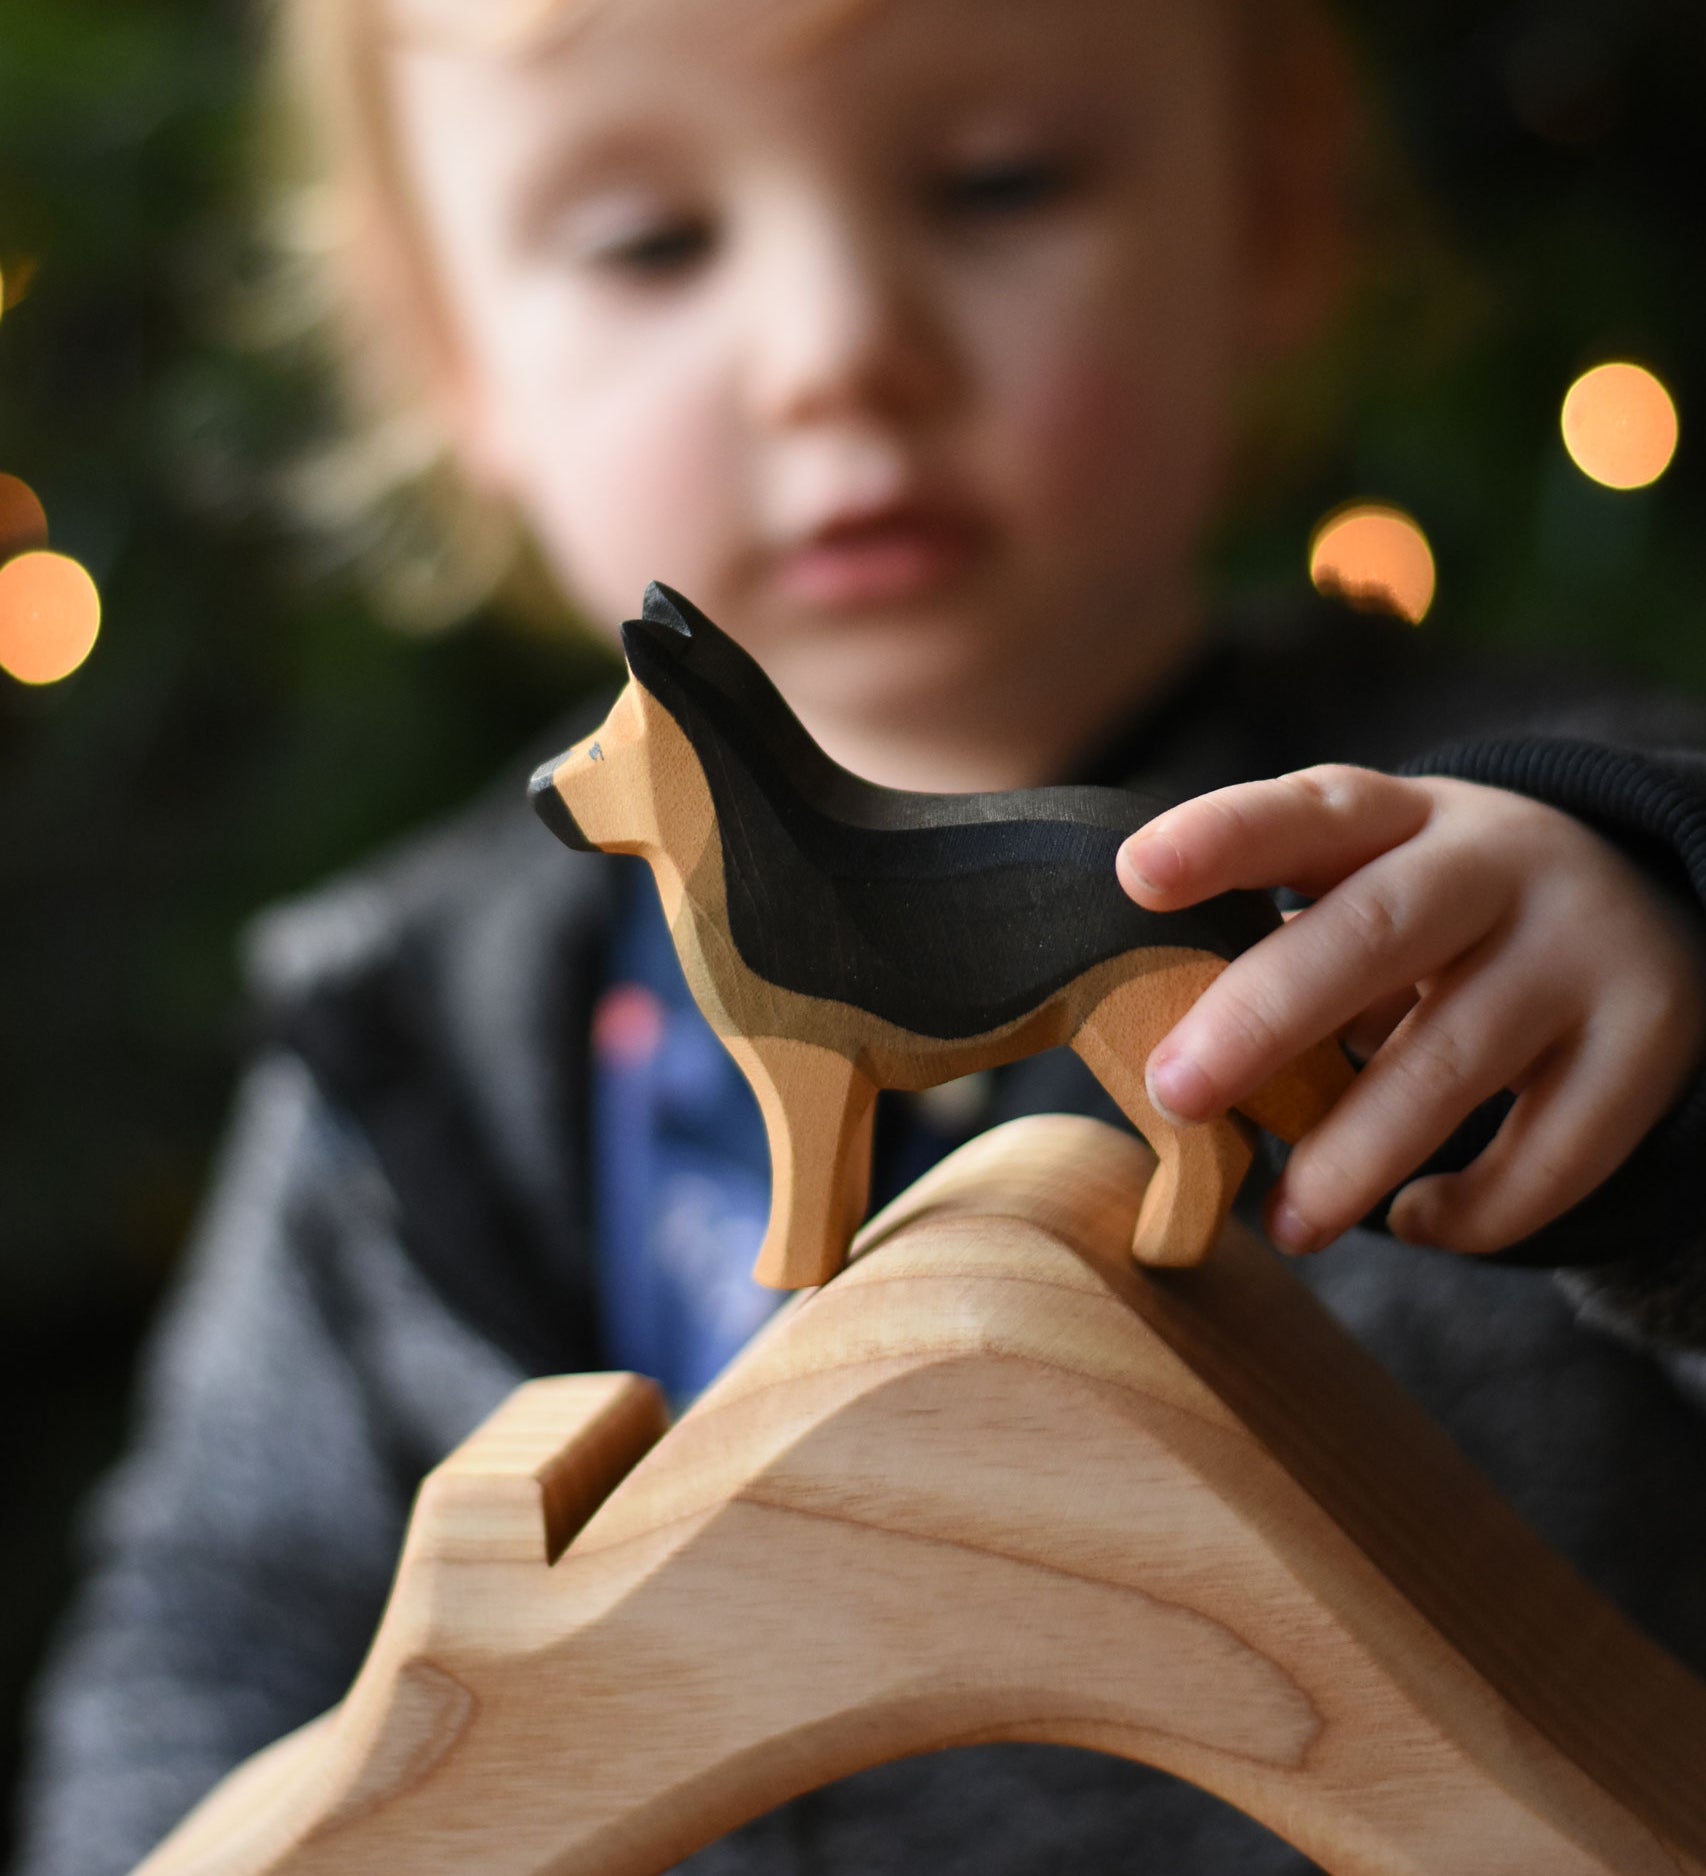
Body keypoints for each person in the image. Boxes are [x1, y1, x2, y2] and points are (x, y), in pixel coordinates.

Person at [14, 0, 1706, 1870]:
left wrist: (1674, 1021)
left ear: (1277, 212)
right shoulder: (401, 1035)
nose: (837, 353)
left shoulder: (1530, 880)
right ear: (445, 345)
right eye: (652, 241)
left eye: (998, 183)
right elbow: (212, 1636)